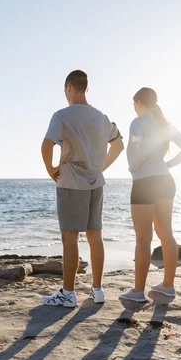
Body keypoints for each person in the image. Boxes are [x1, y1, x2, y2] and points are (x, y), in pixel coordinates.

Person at [41, 70, 125, 307]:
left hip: (71, 181)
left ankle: (68, 293)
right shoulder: (100, 117)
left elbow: (46, 146)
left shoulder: (61, 115)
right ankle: (97, 290)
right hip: (96, 182)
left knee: (70, 239)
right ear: (86, 89)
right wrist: (101, 167)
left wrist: (51, 170)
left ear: (69, 87)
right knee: (95, 236)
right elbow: (118, 144)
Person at [120, 87, 181, 302]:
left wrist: (134, 167)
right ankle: (168, 286)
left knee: (143, 238)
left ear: (138, 102)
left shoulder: (139, 121)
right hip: (165, 181)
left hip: (145, 182)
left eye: (134, 104)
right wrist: (167, 164)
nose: (134, 108)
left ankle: (137, 292)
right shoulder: (164, 124)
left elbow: (133, 150)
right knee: (166, 233)